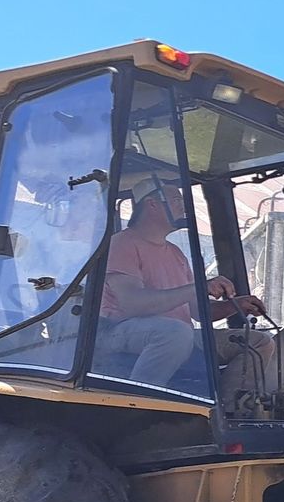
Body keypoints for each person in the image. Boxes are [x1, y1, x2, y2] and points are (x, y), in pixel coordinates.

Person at [97, 176, 274, 410]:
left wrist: (235, 305)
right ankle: (140, 407)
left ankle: (227, 411)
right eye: (175, 199)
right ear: (151, 205)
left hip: (177, 334)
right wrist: (198, 287)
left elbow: (198, 312)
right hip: (118, 332)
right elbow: (132, 304)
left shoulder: (176, 253)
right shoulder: (122, 244)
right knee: (175, 333)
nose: (183, 206)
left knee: (259, 342)